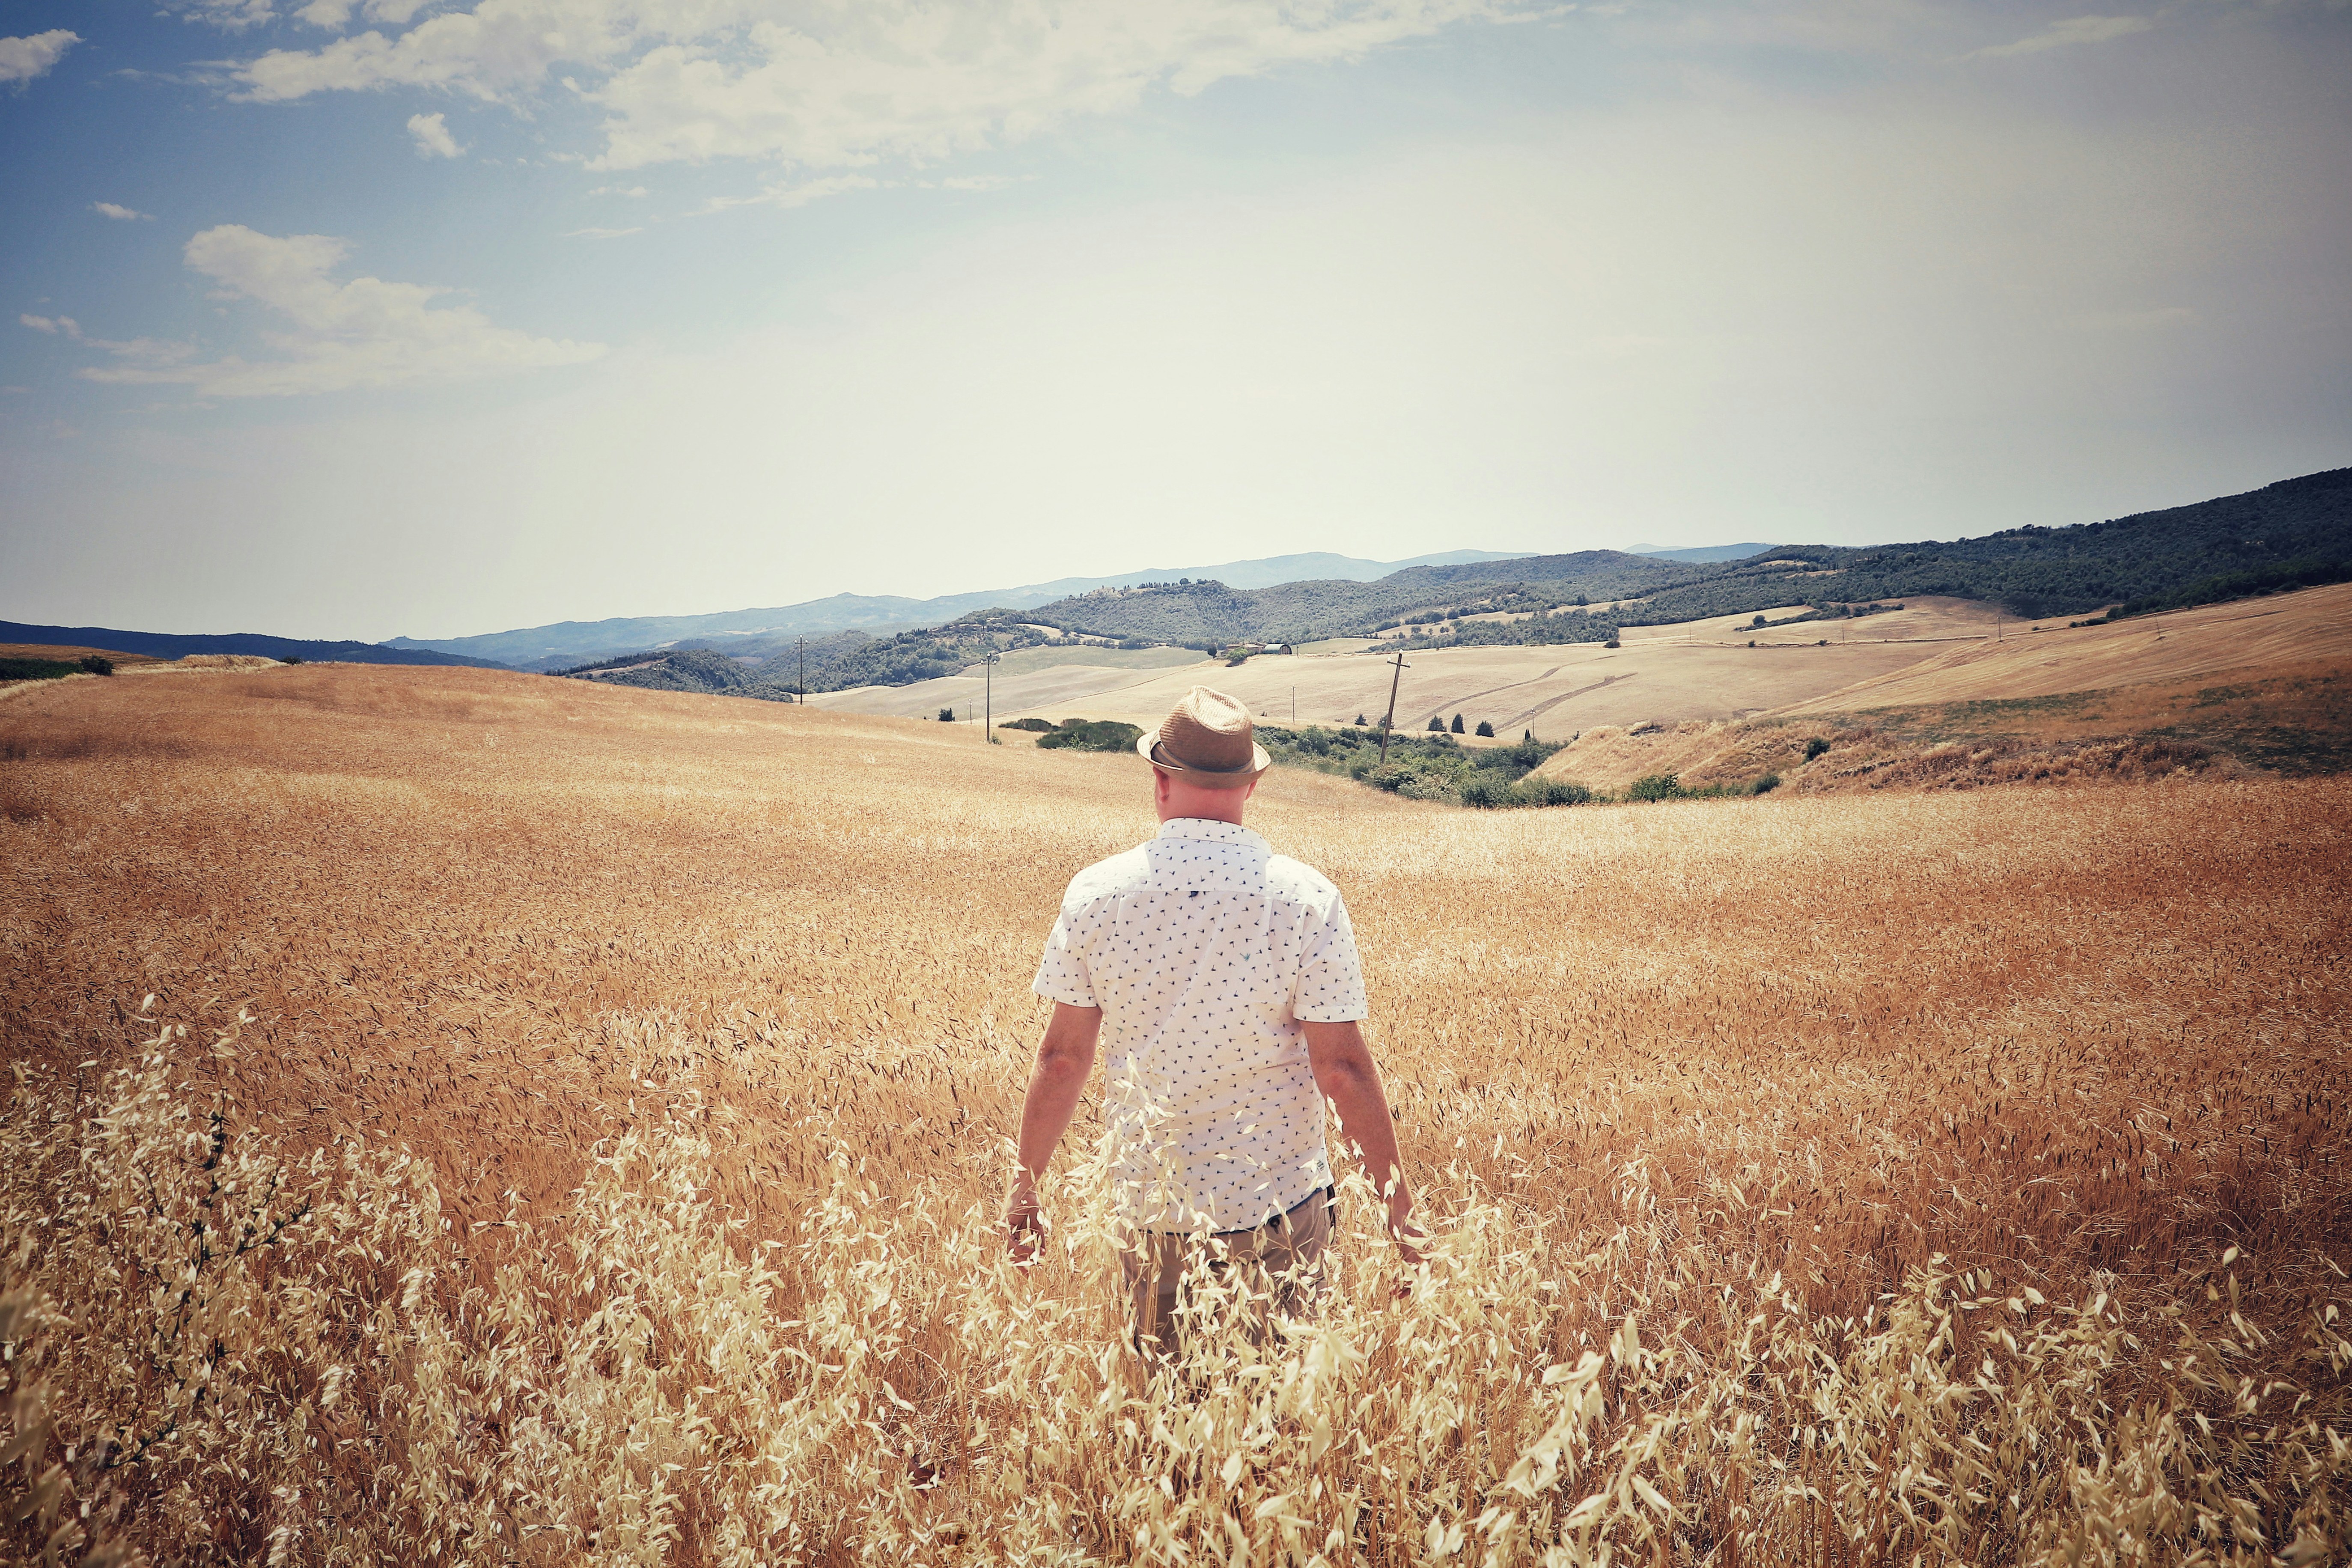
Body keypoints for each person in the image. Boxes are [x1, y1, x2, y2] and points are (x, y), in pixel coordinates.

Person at [1006, 685, 1421, 1362]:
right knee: (1280, 1409)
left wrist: (1024, 1193)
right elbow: (1340, 1071)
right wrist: (1400, 1215)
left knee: (1167, 1411)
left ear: (1158, 777)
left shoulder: (1097, 892)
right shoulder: (1305, 897)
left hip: (1152, 1205)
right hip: (1280, 1203)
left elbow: (1061, 1060)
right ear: (1251, 785)